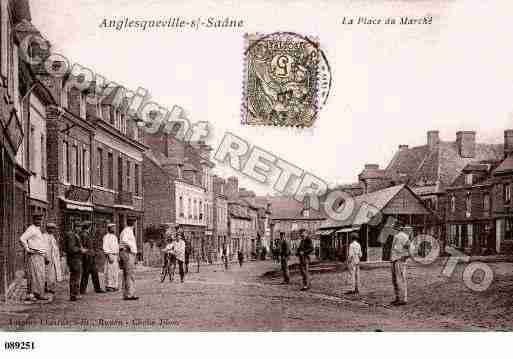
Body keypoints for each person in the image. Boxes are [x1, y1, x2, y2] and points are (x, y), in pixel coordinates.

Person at [19, 214, 49, 301]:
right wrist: (27, 249)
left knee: (40, 275)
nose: (39, 221)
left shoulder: (38, 230)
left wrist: (45, 256)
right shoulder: (31, 229)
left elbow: (40, 244)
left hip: (40, 255)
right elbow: (22, 239)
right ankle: (32, 294)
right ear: (33, 220)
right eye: (37, 220)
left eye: (40, 220)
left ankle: (38, 293)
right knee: (34, 275)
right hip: (34, 254)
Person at [79, 221, 105, 294]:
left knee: (94, 272)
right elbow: (83, 246)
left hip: (91, 256)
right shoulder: (84, 235)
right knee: (86, 273)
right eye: (90, 226)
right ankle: (82, 290)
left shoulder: (87, 234)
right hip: (87, 257)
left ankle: (97, 288)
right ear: (88, 227)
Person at [64, 223, 87, 301]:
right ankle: (74, 294)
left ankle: (75, 293)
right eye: (78, 227)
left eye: (80, 227)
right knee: (75, 277)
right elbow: (71, 248)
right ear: (75, 227)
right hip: (74, 259)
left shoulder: (76, 235)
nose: (79, 229)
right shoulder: (72, 235)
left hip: (76, 259)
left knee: (76, 276)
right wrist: (81, 250)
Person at [390, 229, 412, 306]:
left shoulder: (402, 236)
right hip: (395, 260)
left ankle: (402, 299)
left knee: (400, 280)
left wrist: (405, 256)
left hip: (399, 260)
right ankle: (398, 298)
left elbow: (411, 247)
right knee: (395, 280)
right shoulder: (398, 236)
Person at [119, 218, 139, 300]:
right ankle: (130, 294)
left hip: (127, 253)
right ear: (133, 223)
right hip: (128, 253)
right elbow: (125, 240)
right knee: (130, 274)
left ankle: (126, 293)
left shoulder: (126, 230)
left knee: (127, 274)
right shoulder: (128, 231)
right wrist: (131, 248)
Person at [43, 223, 63, 294]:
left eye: (53, 228)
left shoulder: (52, 236)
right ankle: (45, 287)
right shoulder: (45, 236)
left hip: (53, 258)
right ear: (47, 229)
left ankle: (49, 287)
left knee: (51, 274)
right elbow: (44, 248)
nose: (52, 230)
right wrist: (46, 257)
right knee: (46, 272)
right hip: (48, 258)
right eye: (50, 228)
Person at [102, 223, 120, 292]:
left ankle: (114, 285)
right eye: (113, 228)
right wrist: (109, 254)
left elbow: (116, 247)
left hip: (115, 255)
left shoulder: (114, 237)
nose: (114, 229)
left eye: (114, 228)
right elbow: (105, 247)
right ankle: (109, 285)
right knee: (109, 271)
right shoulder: (106, 237)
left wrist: (118, 255)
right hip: (110, 255)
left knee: (115, 271)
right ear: (109, 228)